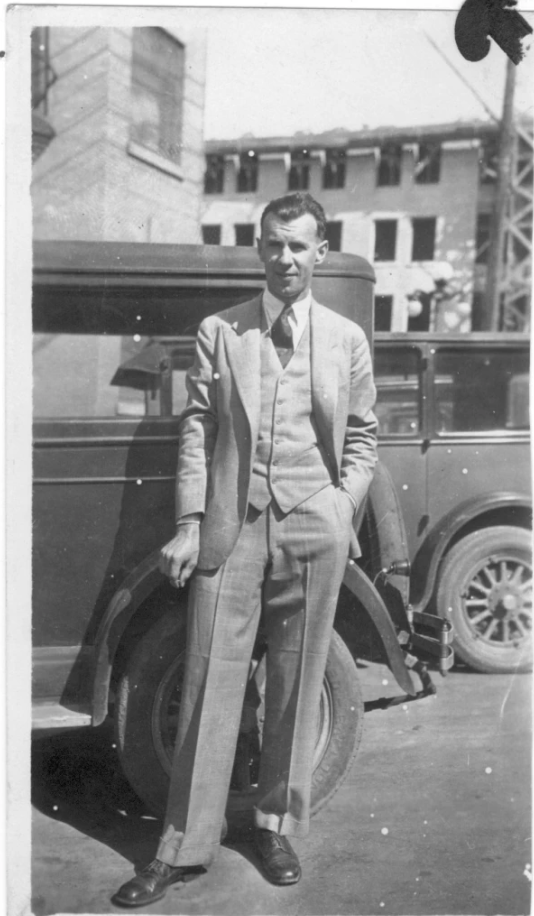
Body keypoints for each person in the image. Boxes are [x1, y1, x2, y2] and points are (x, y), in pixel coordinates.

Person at [113, 192, 378, 907]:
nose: (284, 258)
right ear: (258, 249)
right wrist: (193, 521)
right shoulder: (221, 332)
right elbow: (198, 428)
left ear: (320, 252)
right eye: (272, 244)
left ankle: (275, 827)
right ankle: (181, 847)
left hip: (312, 528)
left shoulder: (346, 339)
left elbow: (362, 437)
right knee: (208, 684)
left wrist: (339, 507)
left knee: (297, 680)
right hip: (233, 530)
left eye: (298, 246)